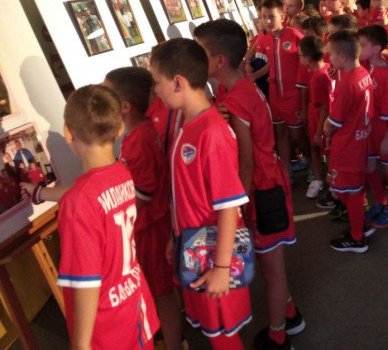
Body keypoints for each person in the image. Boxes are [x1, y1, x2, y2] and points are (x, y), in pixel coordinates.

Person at [194, 20, 304, 349]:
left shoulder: (237, 98)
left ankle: (278, 335)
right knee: (272, 263)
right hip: (263, 183)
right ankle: (289, 314)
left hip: (263, 188)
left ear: (219, 61)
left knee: (272, 268)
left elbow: (246, 161)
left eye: (200, 53)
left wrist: (237, 209)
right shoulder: (233, 89)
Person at [150, 38, 251, 349]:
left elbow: (228, 207)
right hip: (194, 249)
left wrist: (222, 268)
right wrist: (176, 236)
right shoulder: (188, 124)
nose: (156, 90)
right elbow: (187, 193)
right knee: (213, 331)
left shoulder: (211, 132)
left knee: (223, 336)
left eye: (157, 82)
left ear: (177, 82)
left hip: (213, 255)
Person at [55, 85, 159, 349]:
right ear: (119, 128)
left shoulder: (77, 204)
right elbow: (90, 192)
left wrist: (81, 344)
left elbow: (86, 281)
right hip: (135, 305)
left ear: (68, 132)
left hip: (107, 326)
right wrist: (41, 193)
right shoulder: (121, 172)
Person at [104, 67, 183, 350]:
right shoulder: (138, 133)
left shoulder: (140, 139)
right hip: (149, 227)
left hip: (152, 229)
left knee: (163, 295)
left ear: (125, 107)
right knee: (162, 292)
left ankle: (174, 344)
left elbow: (144, 194)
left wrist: (114, 219)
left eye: (107, 94)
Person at [247, 0, 312, 187]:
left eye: (271, 17)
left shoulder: (294, 35)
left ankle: (311, 165)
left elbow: (308, 62)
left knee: (297, 136)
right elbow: (266, 61)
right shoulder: (264, 37)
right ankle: (287, 173)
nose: (267, 21)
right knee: (280, 133)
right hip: (275, 94)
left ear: (282, 17)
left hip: (294, 94)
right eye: (263, 17)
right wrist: (250, 69)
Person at [323, 30, 374, 252]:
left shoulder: (347, 84)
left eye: (330, 53)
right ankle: (360, 223)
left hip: (347, 146)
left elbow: (334, 122)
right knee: (355, 189)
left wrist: (326, 129)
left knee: (348, 190)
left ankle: (357, 238)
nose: (328, 57)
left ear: (342, 57)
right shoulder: (363, 73)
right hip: (360, 141)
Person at [358, 25, 388, 230]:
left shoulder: (386, 76)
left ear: (375, 49)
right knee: (369, 168)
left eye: (362, 45)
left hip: (387, 129)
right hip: (369, 127)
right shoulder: (366, 63)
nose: (358, 49)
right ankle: (380, 201)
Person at [297, 35, 333, 200]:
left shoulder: (318, 77)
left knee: (324, 149)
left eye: (300, 55)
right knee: (315, 147)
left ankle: (332, 184)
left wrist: (319, 132)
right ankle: (319, 179)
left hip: (321, 120)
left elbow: (325, 106)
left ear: (308, 58)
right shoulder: (327, 68)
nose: (299, 59)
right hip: (317, 117)